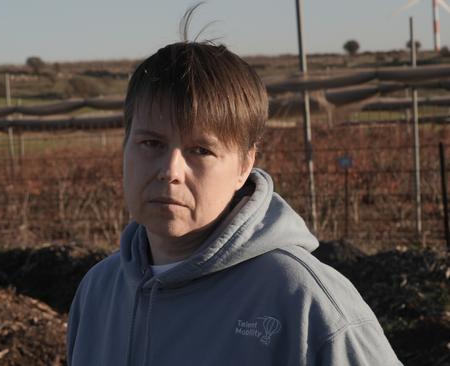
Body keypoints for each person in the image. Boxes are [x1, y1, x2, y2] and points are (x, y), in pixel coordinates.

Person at [66, 10, 402, 366]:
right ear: (125, 145)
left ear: (245, 165)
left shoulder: (305, 303)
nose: (170, 171)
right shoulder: (97, 292)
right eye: (151, 144)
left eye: (200, 150)